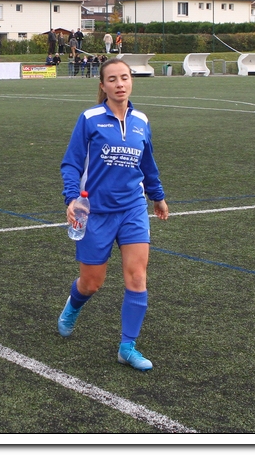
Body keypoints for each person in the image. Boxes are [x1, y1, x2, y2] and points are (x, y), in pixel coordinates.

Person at [57, 57, 170, 371]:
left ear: (131, 81)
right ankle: (73, 306)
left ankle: (127, 347)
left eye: (125, 77)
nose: (120, 84)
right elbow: (71, 163)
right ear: (103, 86)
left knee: (137, 277)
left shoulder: (141, 121)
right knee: (92, 283)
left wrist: (157, 197)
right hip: (95, 212)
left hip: (133, 208)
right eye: (113, 79)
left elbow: (147, 164)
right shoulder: (90, 119)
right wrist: (72, 199)